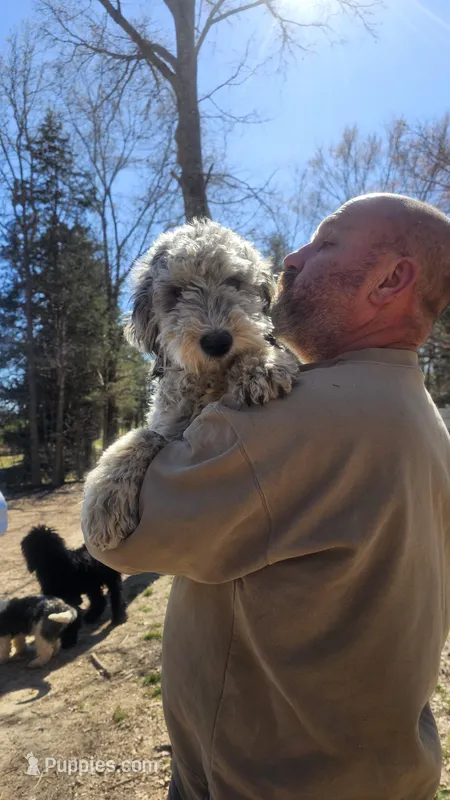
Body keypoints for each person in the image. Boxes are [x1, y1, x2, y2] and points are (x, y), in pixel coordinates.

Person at [86, 193, 450, 800]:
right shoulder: (422, 418)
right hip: (383, 766)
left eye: (326, 241)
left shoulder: (288, 419)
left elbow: (117, 538)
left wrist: (137, 454)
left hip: (263, 782)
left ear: (392, 279)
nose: (292, 255)